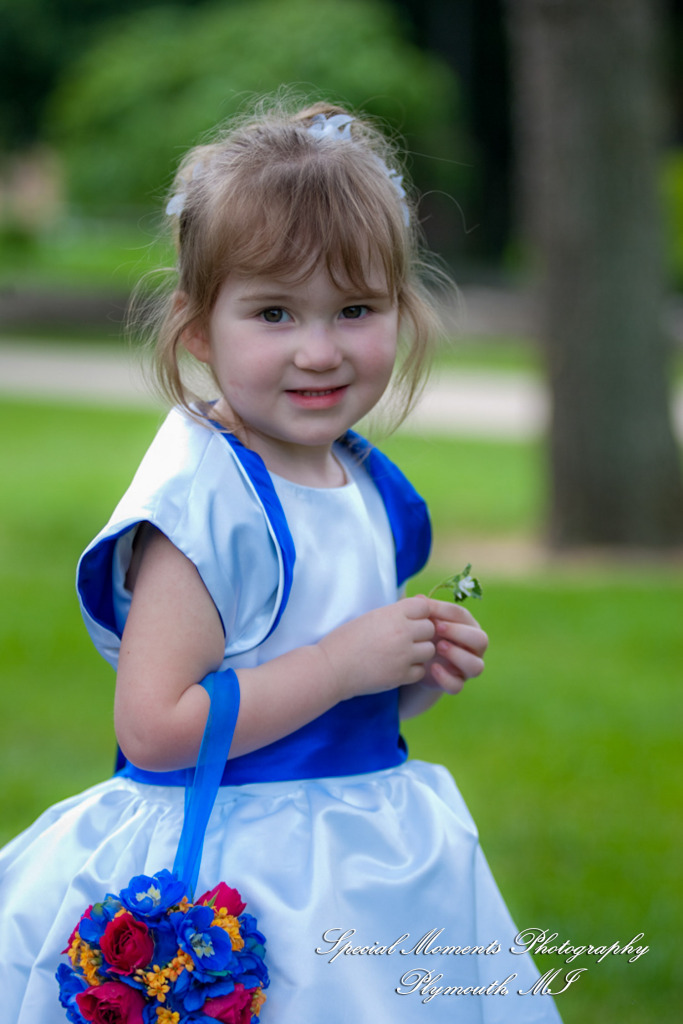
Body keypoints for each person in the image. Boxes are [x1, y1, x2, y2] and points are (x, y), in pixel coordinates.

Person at [0, 99, 562, 1023]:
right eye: (272, 312)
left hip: (371, 857)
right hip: (242, 869)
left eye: (354, 309)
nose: (318, 350)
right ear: (196, 330)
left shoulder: (363, 481)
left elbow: (329, 712)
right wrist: (341, 663)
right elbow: (153, 726)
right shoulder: (204, 507)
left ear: (400, 308)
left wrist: (409, 673)